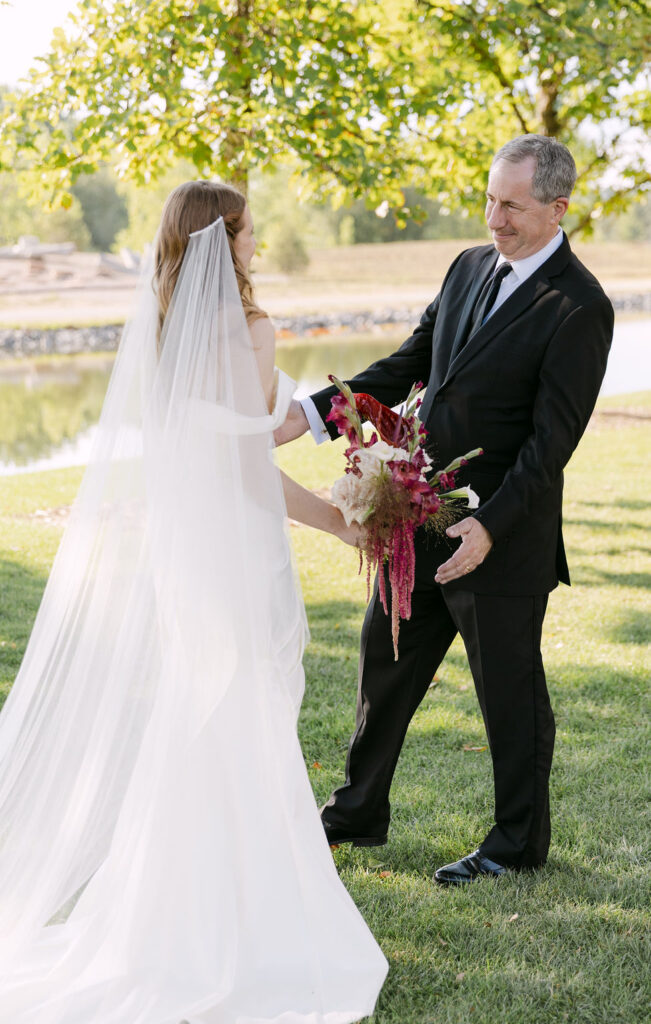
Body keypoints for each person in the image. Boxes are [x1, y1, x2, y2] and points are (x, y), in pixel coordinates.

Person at [0, 181, 387, 1022]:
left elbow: (211, 450)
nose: (258, 245)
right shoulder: (252, 332)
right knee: (242, 721)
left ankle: (172, 922)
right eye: (248, 233)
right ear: (221, 242)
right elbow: (245, 471)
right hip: (238, 554)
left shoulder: (161, 330)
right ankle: (237, 932)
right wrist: (342, 526)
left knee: (199, 722)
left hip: (191, 560)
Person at [276, 135, 614, 885]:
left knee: (510, 697)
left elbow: (547, 445)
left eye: (512, 207)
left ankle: (515, 846)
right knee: (382, 667)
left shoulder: (580, 306)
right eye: (490, 199)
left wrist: (489, 526)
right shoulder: (465, 266)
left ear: (557, 209)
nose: (493, 218)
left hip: (499, 539)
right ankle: (355, 814)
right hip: (414, 525)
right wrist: (314, 410)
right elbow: (405, 365)